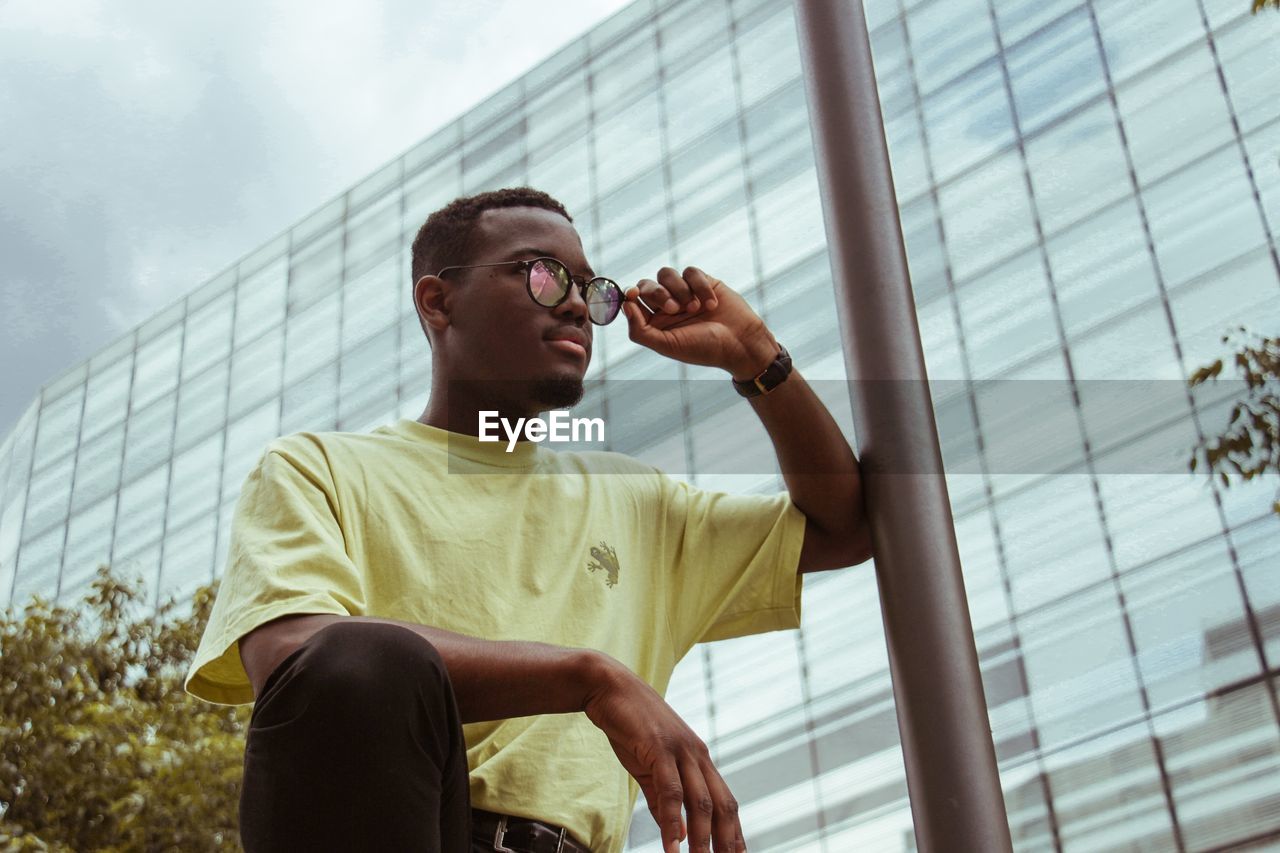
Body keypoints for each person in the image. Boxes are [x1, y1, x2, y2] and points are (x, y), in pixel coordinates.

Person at [185, 187, 871, 853]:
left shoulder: (639, 502)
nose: (575, 303)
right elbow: (302, 657)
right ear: (438, 300)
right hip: (407, 827)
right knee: (365, 655)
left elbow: (844, 526)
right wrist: (587, 675)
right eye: (543, 275)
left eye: (588, 287)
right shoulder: (319, 468)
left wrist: (755, 355)